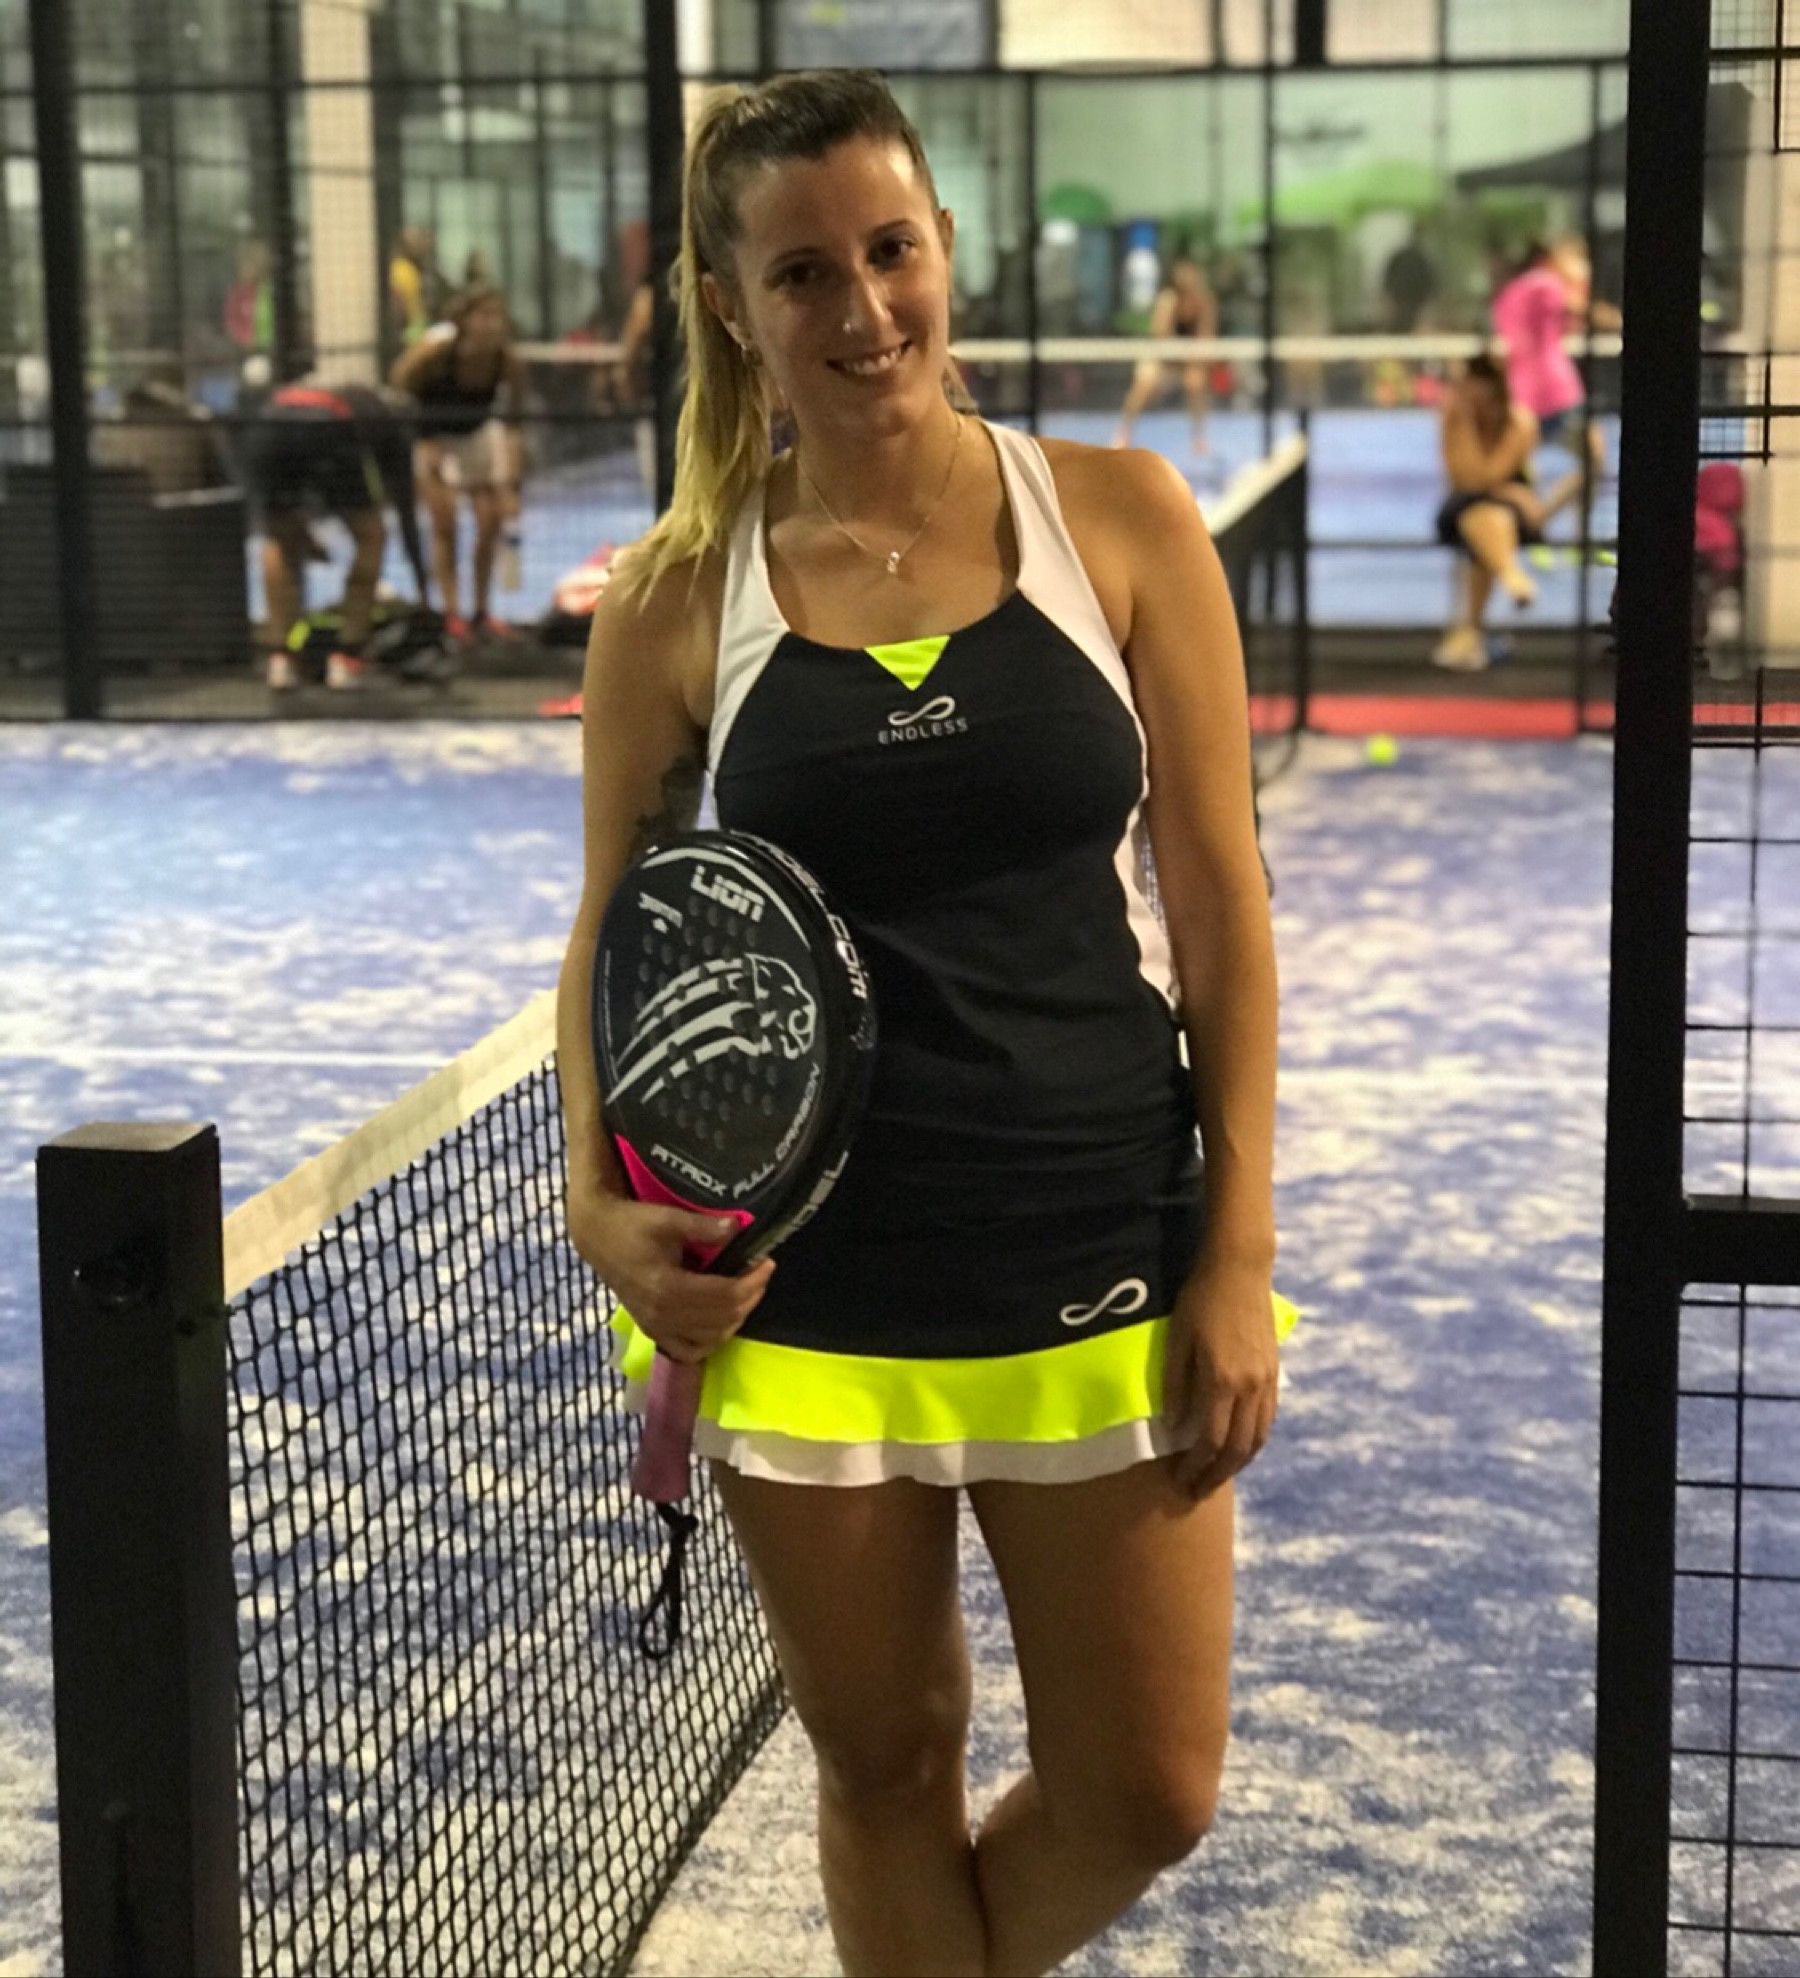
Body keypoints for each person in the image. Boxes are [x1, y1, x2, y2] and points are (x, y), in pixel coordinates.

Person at [558, 71, 1282, 1978]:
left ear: (945, 246)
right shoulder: (672, 598)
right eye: (804, 272)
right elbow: (613, 932)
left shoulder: (1121, 519)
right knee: (886, 1764)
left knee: (1149, 1785)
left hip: (1096, 1236)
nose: (865, 306)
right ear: (732, 305)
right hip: (808, 1284)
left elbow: (1221, 902)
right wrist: (595, 1197)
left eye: (892, 250)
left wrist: (1236, 1247)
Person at [239, 379, 430, 691]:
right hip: (327, 431)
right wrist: (424, 591)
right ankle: (348, 656)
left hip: (268, 430)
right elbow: (405, 508)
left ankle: (281, 659)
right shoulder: (392, 425)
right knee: (372, 535)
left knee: (279, 541)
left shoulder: (352, 394)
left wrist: (301, 539)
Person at [389, 284, 527, 641]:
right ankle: (452, 613)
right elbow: (400, 384)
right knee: (444, 521)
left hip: (474, 437)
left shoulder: (505, 360)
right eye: (483, 315)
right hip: (432, 438)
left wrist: (511, 479)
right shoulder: (436, 350)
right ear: (464, 320)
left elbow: (514, 420)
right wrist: (423, 439)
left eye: (497, 316)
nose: (491, 324)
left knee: (491, 520)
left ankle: (481, 610)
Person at [1432, 353, 1570, 670]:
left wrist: (1505, 491)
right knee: (1481, 516)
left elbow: (1490, 473)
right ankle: (1511, 576)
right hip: (1462, 508)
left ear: (1492, 386)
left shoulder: (1520, 421)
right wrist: (1467, 423)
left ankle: (1472, 634)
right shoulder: (1454, 418)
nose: (1461, 389)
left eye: (1469, 382)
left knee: (1487, 519)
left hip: (1511, 513)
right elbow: (1467, 479)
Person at [1490, 238, 1611, 538]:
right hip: (1554, 394)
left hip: (1521, 396)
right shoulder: (1545, 283)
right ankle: (1548, 524)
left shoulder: (1508, 294)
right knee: (1594, 460)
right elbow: (1579, 309)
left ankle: (1529, 526)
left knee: (1515, 471)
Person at [1111, 255, 1219, 454]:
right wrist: (1173, 353)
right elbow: (1160, 335)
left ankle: (1199, 438)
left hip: (1190, 357)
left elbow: (1206, 336)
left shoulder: (1204, 301)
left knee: (1196, 382)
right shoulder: (1167, 301)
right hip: (1162, 355)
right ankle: (1123, 433)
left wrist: (1195, 355)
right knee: (1145, 382)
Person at [388, 226, 443, 348]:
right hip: (409, 335)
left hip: (418, 332)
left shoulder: (413, 269)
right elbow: (398, 301)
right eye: (416, 242)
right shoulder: (400, 269)